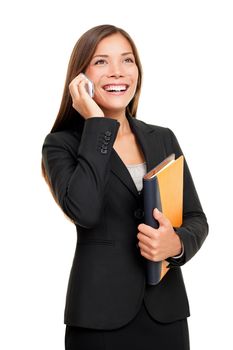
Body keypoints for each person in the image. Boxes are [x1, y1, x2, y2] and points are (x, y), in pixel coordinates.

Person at [41, 24, 208, 350]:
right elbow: (85, 212)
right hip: (98, 320)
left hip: (166, 316)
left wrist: (174, 245)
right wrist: (97, 124)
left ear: (138, 71)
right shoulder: (60, 145)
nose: (117, 72)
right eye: (101, 61)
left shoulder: (163, 138)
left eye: (127, 60)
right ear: (80, 78)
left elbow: (196, 219)